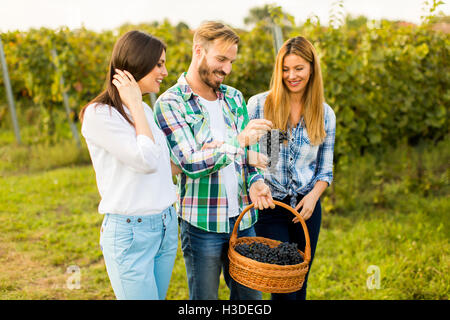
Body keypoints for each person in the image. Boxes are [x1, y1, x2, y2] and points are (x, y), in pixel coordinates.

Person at [153, 21, 275, 300]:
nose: (227, 69)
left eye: (231, 61)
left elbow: (248, 160)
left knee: (250, 300)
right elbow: (191, 163)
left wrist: (255, 182)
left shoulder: (234, 97)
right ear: (199, 51)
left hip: (244, 220)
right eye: (221, 59)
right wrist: (238, 143)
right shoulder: (171, 103)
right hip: (201, 225)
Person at [79, 30, 180, 300]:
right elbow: (145, 161)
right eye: (159, 64)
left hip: (165, 226)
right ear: (137, 64)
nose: (165, 71)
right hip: (131, 233)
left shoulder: (144, 111)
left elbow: (162, 164)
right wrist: (135, 103)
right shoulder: (99, 115)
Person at [247, 36, 336, 300]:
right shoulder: (261, 105)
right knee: (282, 286)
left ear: (311, 68)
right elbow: (247, 155)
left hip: (307, 209)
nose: (291, 75)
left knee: (300, 282)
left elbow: (325, 168)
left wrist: (313, 198)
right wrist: (256, 170)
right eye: (285, 69)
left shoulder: (324, 113)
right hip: (270, 206)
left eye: (298, 68)